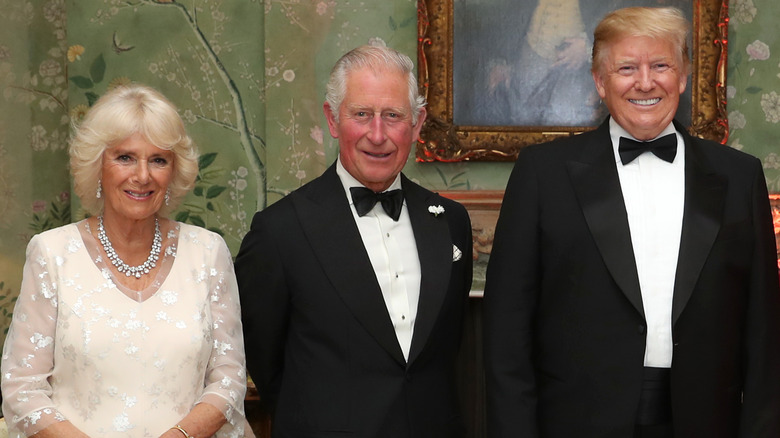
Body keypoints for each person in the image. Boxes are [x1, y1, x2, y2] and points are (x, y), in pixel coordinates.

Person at [483, 7, 780, 438]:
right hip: (575, 424)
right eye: (626, 68)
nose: (645, 82)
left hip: (706, 422)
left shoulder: (739, 176)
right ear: (600, 82)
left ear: (682, 77)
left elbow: (764, 335)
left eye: (661, 65)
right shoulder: (542, 174)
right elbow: (506, 332)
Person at [235, 42, 473, 437]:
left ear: (416, 124)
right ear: (333, 119)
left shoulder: (450, 222)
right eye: (361, 114)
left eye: (393, 116)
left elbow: (448, 353)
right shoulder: (279, 232)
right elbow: (265, 359)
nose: (377, 135)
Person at [1, 84, 250, 438]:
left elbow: (229, 379)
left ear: (174, 171)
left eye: (158, 160)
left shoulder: (208, 252)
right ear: (97, 165)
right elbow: (22, 389)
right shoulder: (52, 254)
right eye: (125, 157)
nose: (143, 176)